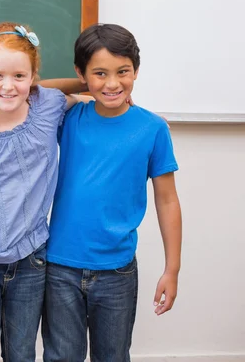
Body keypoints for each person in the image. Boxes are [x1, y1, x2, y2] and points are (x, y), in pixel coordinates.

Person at [42, 23, 182, 362]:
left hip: (117, 271)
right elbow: (31, 89)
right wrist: (84, 86)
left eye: (123, 72)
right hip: (60, 267)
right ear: (82, 73)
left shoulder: (152, 128)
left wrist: (172, 269)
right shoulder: (69, 116)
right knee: (61, 356)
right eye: (100, 73)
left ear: (136, 71)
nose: (112, 83)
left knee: (113, 356)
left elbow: (167, 200)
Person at [0, 22, 85, 362]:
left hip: (30, 259)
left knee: (21, 352)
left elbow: (85, 94)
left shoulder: (49, 106)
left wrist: (97, 86)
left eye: (19, 76)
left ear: (33, 77)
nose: (8, 86)